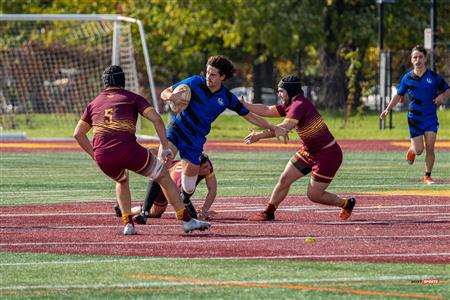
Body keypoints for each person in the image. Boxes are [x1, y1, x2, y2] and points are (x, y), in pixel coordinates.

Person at [73, 65, 210, 235]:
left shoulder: (93, 103)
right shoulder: (133, 98)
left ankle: (128, 224)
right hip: (127, 150)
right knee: (162, 175)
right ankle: (187, 220)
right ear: (123, 82)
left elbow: (78, 134)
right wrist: (166, 147)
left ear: (104, 83)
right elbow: (157, 119)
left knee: (122, 180)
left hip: (103, 156)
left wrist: (95, 155)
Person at [156, 55, 288, 218]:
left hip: (195, 139)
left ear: (222, 77)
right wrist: (171, 97)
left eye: (213, 74)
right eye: (207, 72)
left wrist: (273, 127)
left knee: (188, 187)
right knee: (161, 164)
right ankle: (144, 211)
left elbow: (249, 116)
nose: (208, 77)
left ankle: (183, 201)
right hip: (177, 129)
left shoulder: (226, 97)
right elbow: (165, 92)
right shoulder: (195, 82)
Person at [242, 75, 355, 221]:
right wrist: (246, 106)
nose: (279, 94)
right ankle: (269, 212)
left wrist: (259, 135)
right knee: (284, 178)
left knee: (314, 195)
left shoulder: (298, 105)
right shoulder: (292, 103)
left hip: (328, 155)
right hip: (309, 150)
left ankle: (347, 203)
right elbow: (267, 110)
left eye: (281, 91)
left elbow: (284, 128)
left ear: (290, 91)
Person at [380, 45, 449, 184]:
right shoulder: (407, 78)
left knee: (430, 147)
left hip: (430, 118)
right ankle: (412, 149)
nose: (417, 60)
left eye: (420, 57)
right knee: (419, 150)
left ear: (425, 59)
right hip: (414, 119)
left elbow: (448, 89)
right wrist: (388, 108)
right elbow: (398, 94)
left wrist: (443, 97)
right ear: (411, 60)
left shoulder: (433, 77)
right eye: (414, 57)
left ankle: (427, 175)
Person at [114, 153, 217, 223]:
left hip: (172, 179)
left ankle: (129, 210)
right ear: (196, 169)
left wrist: (203, 211)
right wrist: (196, 215)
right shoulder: (180, 180)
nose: (209, 168)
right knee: (156, 213)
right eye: (205, 167)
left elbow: (212, 190)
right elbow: (179, 207)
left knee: (158, 212)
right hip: (163, 182)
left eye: (208, 165)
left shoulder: (204, 164)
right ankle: (125, 210)